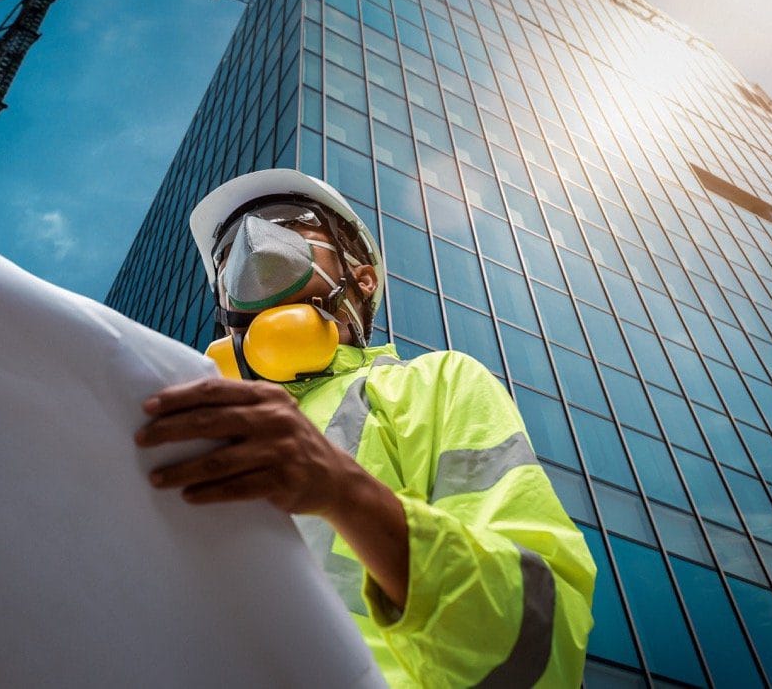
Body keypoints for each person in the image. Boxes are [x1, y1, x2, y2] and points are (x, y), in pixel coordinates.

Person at [135, 169, 595, 687]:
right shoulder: (187, 424)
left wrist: (345, 492)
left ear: (363, 277)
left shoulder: (436, 383)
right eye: (225, 257)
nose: (252, 241)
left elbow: (543, 648)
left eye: (288, 223)